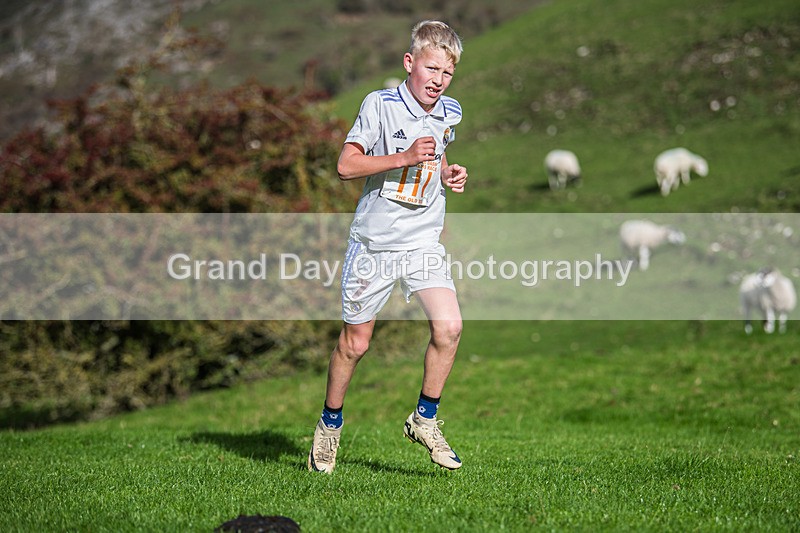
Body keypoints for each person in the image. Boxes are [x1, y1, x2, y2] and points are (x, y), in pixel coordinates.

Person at [307, 20, 468, 474]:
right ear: (409, 63)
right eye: (430, 68)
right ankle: (329, 426)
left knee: (450, 328)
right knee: (356, 345)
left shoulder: (448, 112)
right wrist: (402, 157)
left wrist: (447, 173)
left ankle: (425, 419)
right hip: (375, 243)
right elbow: (346, 165)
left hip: (422, 240)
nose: (438, 80)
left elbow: (435, 160)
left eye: (447, 73)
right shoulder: (379, 105)